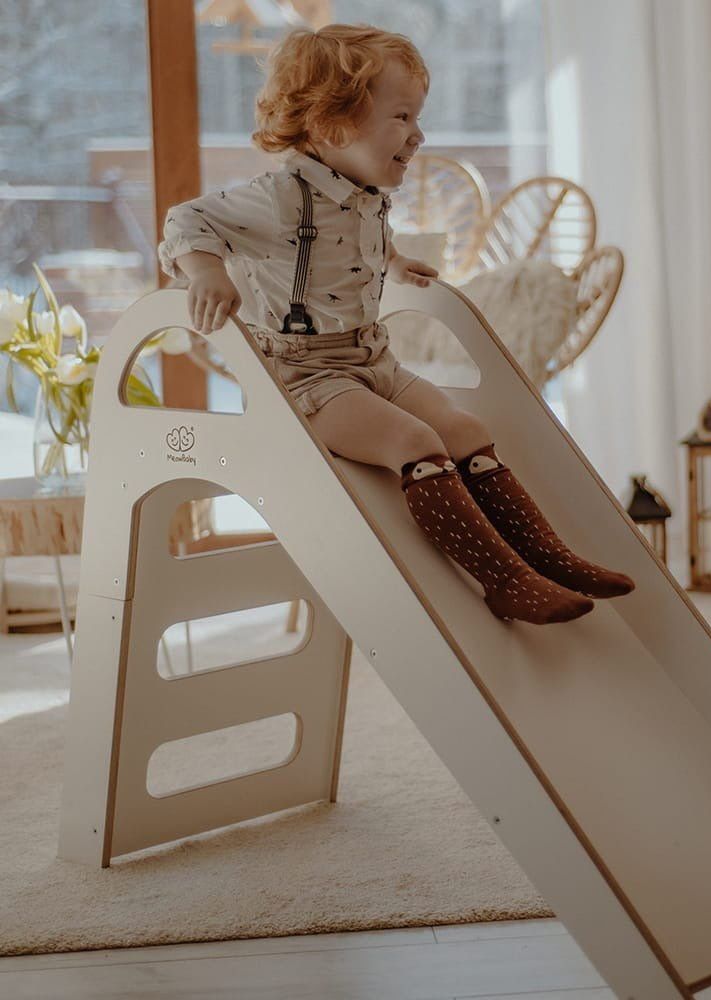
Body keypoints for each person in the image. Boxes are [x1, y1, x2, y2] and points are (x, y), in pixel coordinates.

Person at [157, 23, 634, 625]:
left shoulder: (364, 192)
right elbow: (184, 220)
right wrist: (204, 272)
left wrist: (396, 258)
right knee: (416, 444)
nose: (418, 134)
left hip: (374, 360)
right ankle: (505, 579)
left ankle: (546, 554)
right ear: (333, 126)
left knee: (464, 429)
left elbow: (354, 244)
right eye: (402, 117)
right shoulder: (276, 198)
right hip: (306, 378)